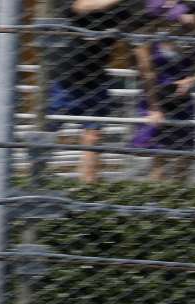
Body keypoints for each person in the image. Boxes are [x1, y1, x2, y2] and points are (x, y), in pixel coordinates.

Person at [50, 0, 151, 184]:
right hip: (64, 79)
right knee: (48, 131)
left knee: (93, 137)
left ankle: (87, 187)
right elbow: (82, 7)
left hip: (96, 81)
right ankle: (39, 175)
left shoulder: (120, 11)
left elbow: (136, 34)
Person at [131, 0, 195, 183]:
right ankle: (157, 203)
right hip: (155, 97)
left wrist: (190, 79)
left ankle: (178, 201)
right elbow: (146, 74)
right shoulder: (145, 35)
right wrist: (154, 108)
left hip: (183, 100)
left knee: (185, 157)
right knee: (158, 158)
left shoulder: (189, 34)